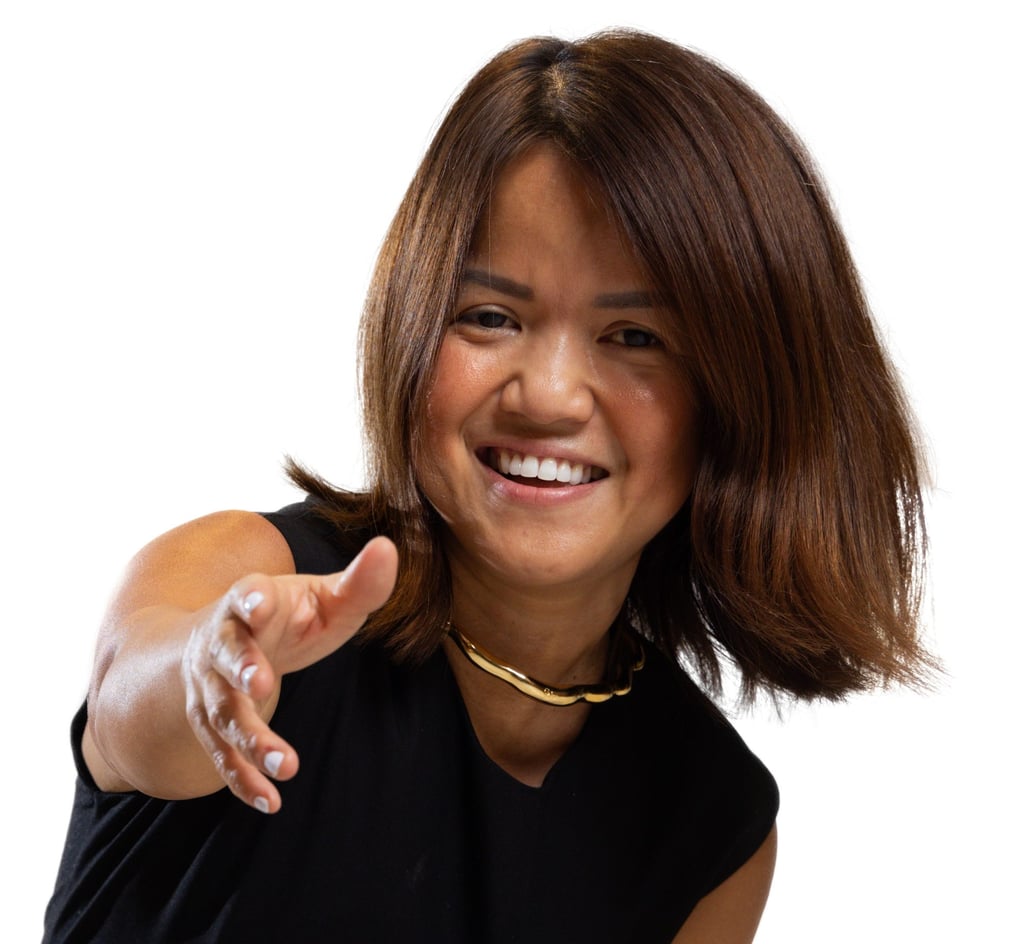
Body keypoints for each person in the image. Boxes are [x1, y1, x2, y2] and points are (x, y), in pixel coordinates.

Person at [43, 29, 933, 944]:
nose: (547, 395)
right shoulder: (257, 583)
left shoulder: (710, 830)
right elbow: (132, 697)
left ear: (745, 400)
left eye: (635, 337)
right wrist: (203, 670)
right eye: (491, 317)